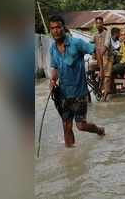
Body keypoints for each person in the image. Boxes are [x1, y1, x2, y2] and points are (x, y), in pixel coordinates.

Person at [49, 15, 105, 148]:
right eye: (52, 28)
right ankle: (70, 155)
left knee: (80, 125)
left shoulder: (76, 43)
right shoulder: (52, 48)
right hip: (63, 94)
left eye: (58, 27)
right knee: (66, 126)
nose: (55, 30)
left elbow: (95, 50)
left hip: (79, 93)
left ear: (64, 28)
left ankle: (99, 130)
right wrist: (52, 80)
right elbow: (55, 68)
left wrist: (100, 69)